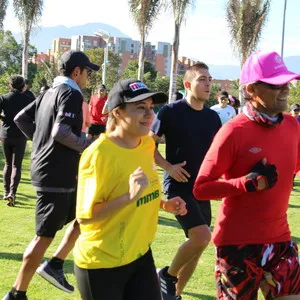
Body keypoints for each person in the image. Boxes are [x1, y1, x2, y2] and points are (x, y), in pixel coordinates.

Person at [193, 50, 300, 299]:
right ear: (252, 89)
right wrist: (245, 183)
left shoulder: (293, 126)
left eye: (286, 83)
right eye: (276, 84)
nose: (285, 89)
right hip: (236, 244)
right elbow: (201, 187)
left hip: (280, 240)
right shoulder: (233, 131)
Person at [74, 78, 187, 300]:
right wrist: (129, 196)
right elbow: (86, 218)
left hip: (140, 255)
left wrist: (165, 204)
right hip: (102, 264)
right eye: (140, 108)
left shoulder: (146, 144)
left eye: (151, 108)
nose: (149, 115)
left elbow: (143, 191)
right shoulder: (98, 154)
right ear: (117, 113)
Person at [3, 50, 100, 300]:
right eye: (87, 72)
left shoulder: (48, 91)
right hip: (55, 174)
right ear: (76, 72)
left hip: (56, 171)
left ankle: (55, 264)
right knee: (43, 237)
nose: (88, 77)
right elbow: (61, 132)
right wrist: (90, 145)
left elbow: (21, 118)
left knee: (87, 214)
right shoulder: (71, 92)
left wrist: (40, 140)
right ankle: (16, 293)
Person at [150, 62, 222, 299]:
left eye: (210, 79)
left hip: (202, 189)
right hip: (178, 186)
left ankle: (175, 295)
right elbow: (148, 145)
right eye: (202, 79)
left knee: (197, 248)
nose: (208, 83)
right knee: (202, 237)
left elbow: (216, 154)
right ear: (188, 84)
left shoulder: (213, 117)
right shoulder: (170, 111)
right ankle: (167, 276)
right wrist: (168, 167)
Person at [0, 75, 33, 206]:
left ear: (11, 85)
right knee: (16, 165)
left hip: (5, 134)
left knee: (7, 164)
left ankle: (5, 191)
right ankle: (12, 193)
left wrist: (3, 119)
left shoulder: (3, 97)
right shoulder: (27, 98)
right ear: (22, 85)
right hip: (20, 134)